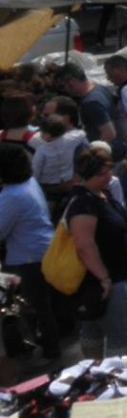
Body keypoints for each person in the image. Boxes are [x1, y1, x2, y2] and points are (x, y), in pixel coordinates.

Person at [66, 145, 127, 359]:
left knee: (92, 330)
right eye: (101, 174)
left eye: (108, 171)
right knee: (119, 338)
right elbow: (84, 245)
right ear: (87, 175)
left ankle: (95, 376)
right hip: (106, 282)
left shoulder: (100, 194)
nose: (108, 177)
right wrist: (104, 278)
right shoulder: (84, 204)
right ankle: (116, 385)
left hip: (106, 277)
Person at [0, 144, 59, 359]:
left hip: (28, 257)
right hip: (41, 249)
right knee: (44, 304)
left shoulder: (12, 195)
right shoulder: (29, 182)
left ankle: (50, 352)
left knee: (36, 307)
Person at [33, 97, 87, 207]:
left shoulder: (80, 144)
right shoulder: (41, 137)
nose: (43, 119)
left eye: (48, 116)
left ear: (65, 118)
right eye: (42, 115)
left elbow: (78, 179)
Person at [55, 65, 116, 148]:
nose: (64, 90)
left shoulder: (91, 103)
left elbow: (109, 134)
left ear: (71, 83)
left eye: (62, 86)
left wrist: (92, 153)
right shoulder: (100, 89)